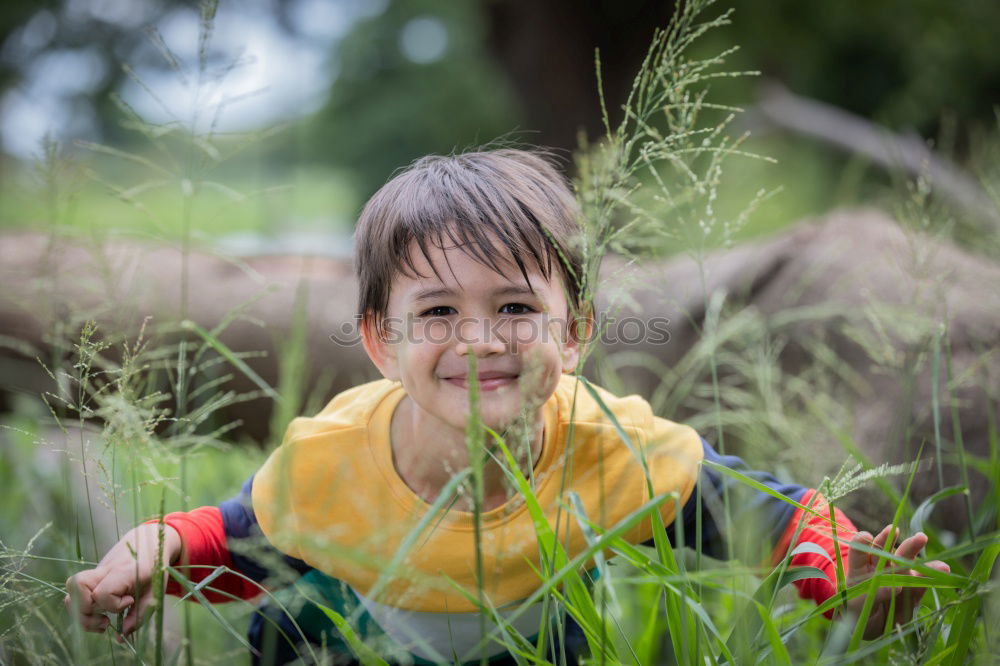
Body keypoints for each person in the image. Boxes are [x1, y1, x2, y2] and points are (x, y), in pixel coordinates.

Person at [65, 150, 949, 664]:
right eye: (439, 312)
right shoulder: (334, 454)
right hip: (362, 635)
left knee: (576, 627)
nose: (481, 340)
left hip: (526, 643)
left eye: (517, 309)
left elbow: (752, 508)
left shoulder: (611, 446)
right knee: (296, 618)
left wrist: (833, 564)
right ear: (380, 341)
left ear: (575, 335)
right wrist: (156, 552)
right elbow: (240, 540)